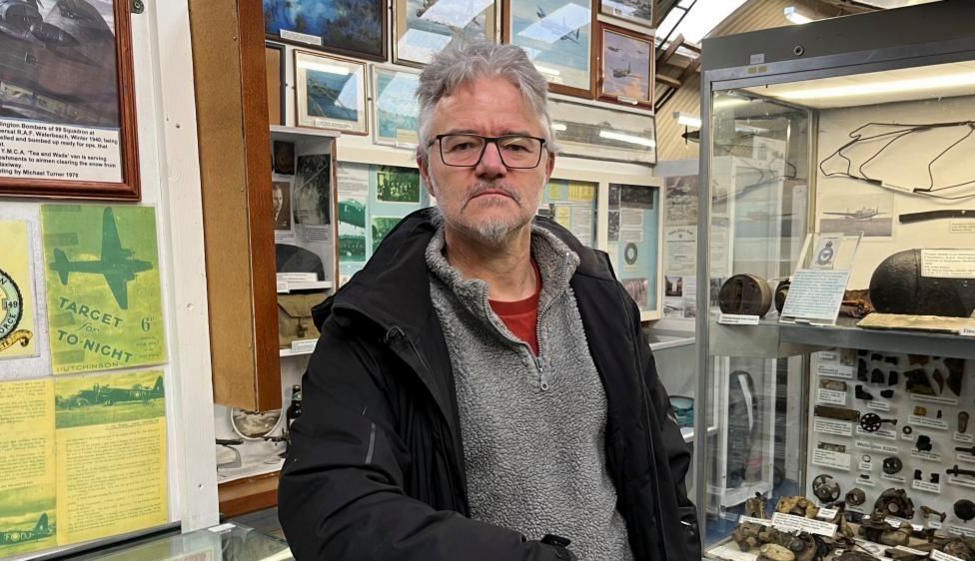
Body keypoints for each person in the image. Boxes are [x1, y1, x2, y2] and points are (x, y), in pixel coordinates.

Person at [279, 42, 700, 561]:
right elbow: (332, 508)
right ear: (427, 170)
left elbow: (661, 461)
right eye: (461, 144)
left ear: (547, 165)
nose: (492, 165)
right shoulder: (375, 326)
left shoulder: (601, 299)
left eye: (517, 145)